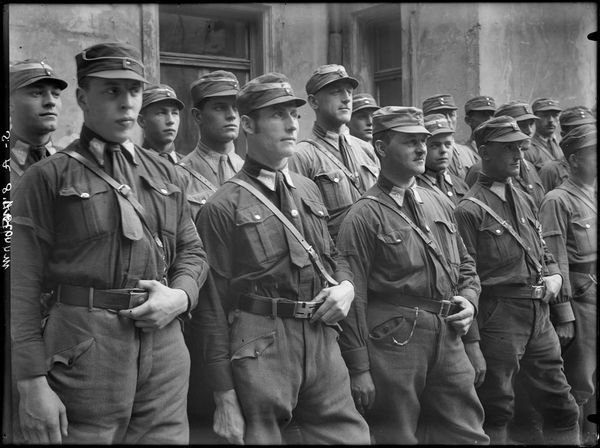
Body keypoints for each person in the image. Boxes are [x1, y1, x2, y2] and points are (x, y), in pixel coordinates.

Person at [10, 42, 208, 444]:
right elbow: (23, 285)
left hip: (165, 344)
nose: (127, 104)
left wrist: (182, 297)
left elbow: (193, 251)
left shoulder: (167, 174)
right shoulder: (47, 177)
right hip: (84, 348)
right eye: (112, 91)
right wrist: (31, 382)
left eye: (133, 91)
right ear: (83, 99)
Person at [193, 72, 370, 444]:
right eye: (276, 115)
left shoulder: (307, 189)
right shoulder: (222, 206)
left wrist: (347, 287)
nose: (292, 124)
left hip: (322, 337)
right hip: (261, 346)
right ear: (247, 124)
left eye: (294, 114)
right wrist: (223, 395)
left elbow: (336, 255)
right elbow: (210, 308)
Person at [336, 106, 488, 444]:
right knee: (398, 435)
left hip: (448, 335)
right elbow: (354, 296)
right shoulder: (363, 215)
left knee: (467, 433)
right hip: (394, 342)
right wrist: (359, 368)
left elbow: (466, 265)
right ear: (380, 148)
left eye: (424, 141)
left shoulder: (440, 203)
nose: (422, 149)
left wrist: (471, 304)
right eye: (410, 142)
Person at [454, 116, 580, 444]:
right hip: (499, 316)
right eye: (507, 148)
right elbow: (465, 278)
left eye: (520, 147)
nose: (518, 155)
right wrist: (474, 343)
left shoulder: (524, 196)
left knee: (560, 403)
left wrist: (553, 274)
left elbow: (541, 247)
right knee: (497, 408)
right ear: (483, 151)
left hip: (538, 315)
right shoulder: (468, 209)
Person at [539, 124, 597, 445]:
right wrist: (564, 314)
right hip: (580, 295)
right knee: (581, 379)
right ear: (574, 160)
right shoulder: (557, 200)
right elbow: (555, 259)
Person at [288, 64, 380, 241]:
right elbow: (302, 227)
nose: (346, 99)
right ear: (314, 102)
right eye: (336, 92)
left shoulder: (367, 150)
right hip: (336, 260)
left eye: (349, 92)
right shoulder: (301, 156)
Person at [176, 70, 243, 221]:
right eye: (220, 108)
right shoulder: (180, 177)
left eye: (236, 107)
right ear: (198, 116)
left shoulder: (248, 171)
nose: (231, 115)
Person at [466, 101, 546, 208]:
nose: (529, 131)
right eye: (521, 125)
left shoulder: (529, 167)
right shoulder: (481, 170)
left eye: (531, 123)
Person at [9, 59, 68, 189]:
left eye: (56, 94)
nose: (51, 102)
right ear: (10, 103)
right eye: (36, 93)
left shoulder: (70, 162)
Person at [539, 106, 596, 192]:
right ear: (563, 135)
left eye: (590, 129)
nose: (587, 134)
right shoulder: (550, 171)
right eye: (578, 131)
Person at [416, 113, 469, 206]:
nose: (443, 150)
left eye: (448, 144)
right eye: (435, 145)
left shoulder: (460, 184)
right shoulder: (415, 186)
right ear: (422, 148)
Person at [422, 93, 478, 179]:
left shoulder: (467, 152)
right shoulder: (423, 157)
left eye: (451, 115)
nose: (448, 120)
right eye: (441, 115)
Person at [137, 83, 185, 163]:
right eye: (161, 113)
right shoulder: (132, 166)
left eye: (174, 113)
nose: (171, 121)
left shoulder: (189, 165)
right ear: (142, 121)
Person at [525, 97, 563, 171]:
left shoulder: (561, 145)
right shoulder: (528, 150)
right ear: (535, 118)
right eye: (545, 116)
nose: (551, 120)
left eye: (555, 115)